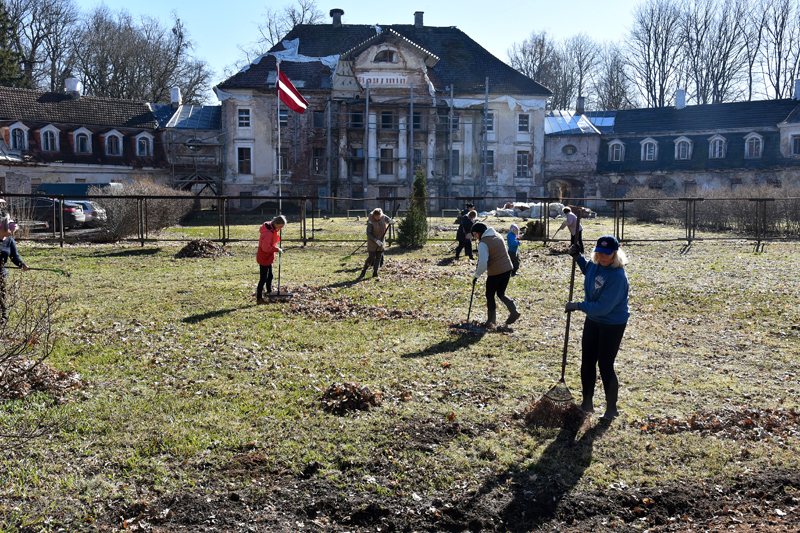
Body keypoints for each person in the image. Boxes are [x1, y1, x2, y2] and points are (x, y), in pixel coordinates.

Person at [566, 235, 630, 420]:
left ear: (615, 254)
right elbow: (589, 270)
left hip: (612, 323)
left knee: (605, 364)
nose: (603, 256)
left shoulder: (617, 276)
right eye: (600, 252)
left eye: (607, 253)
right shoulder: (595, 265)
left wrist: (577, 305)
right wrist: (578, 257)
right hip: (593, 320)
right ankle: (587, 402)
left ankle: (611, 409)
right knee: (587, 361)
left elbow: (603, 308)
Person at [472, 222, 520, 328]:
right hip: (507, 268)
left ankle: (491, 321)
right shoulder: (497, 235)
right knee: (501, 293)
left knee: (490, 295)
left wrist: (476, 275)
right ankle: (514, 311)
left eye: (475, 234)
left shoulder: (483, 243)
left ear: (480, 233)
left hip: (496, 271)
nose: (475, 236)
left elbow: (483, 262)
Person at [0, 215, 28, 325]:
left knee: (1, 293)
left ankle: (3, 315)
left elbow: (14, 256)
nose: (12, 233)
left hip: (1, 273)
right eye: (11, 231)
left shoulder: (10, 241)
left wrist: (22, 265)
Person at [256, 215, 286, 304]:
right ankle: (259, 298)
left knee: (270, 276)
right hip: (264, 257)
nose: (280, 229)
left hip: (268, 257)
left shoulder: (272, 230)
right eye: (280, 226)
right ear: (275, 223)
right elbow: (266, 248)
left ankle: (269, 292)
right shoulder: (268, 233)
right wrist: (277, 249)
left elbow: (272, 243)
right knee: (263, 278)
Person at [359, 208, 394, 279]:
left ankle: (375, 273)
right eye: (376, 217)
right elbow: (368, 233)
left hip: (381, 241)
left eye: (379, 217)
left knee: (379, 257)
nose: (377, 219)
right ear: (373, 215)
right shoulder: (371, 221)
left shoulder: (383, 217)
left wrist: (392, 221)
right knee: (371, 258)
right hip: (373, 241)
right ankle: (363, 272)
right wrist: (375, 240)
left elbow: (389, 220)